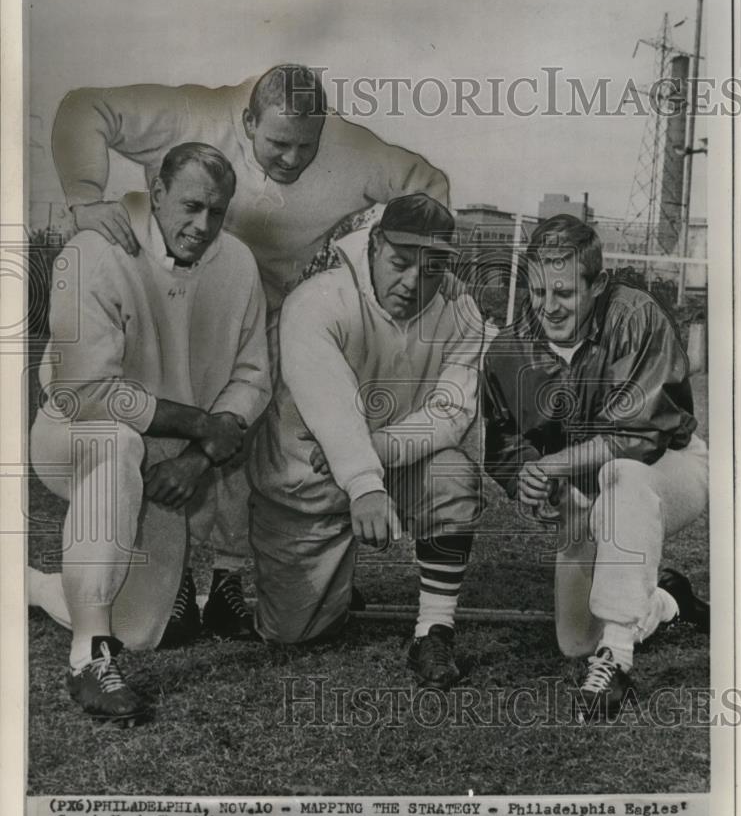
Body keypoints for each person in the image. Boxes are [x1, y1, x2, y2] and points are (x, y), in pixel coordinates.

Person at [29, 143, 270, 723]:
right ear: (157, 194)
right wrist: (199, 426)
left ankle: (31, 586)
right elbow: (85, 391)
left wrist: (197, 457)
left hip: (173, 453)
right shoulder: (94, 251)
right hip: (72, 436)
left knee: (140, 628)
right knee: (118, 442)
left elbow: (253, 375)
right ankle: (88, 659)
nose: (202, 225)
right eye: (190, 206)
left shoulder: (236, 262)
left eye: (216, 212)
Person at [248, 193, 484, 688]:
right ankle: (332, 584)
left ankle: (433, 630)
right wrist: (362, 482)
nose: (413, 282)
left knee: (452, 475)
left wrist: (372, 456)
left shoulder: (461, 312)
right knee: (292, 634)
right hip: (309, 480)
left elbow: (452, 411)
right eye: (400, 263)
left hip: (397, 464)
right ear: (374, 245)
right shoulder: (319, 298)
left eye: (432, 269)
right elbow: (328, 400)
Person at [482, 214, 709, 721]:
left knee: (621, 477)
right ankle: (667, 602)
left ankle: (617, 662)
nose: (549, 306)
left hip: (669, 466)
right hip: (586, 495)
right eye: (539, 292)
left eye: (564, 292)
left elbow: (639, 438)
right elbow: (502, 445)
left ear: (599, 283)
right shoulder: (508, 349)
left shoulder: (636, 316)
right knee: (572, 641)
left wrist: (556, 464)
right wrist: (527, 481)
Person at [51, 64, 449, 316]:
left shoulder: (351, 149)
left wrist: (392, 271)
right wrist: (84, 198)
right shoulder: (195, 113)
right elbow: (84, 107)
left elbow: (428, 182)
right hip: (158, 300)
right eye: (279, 144)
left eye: (305, 146)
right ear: (249, 122)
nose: (292, 159)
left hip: (257, 318)